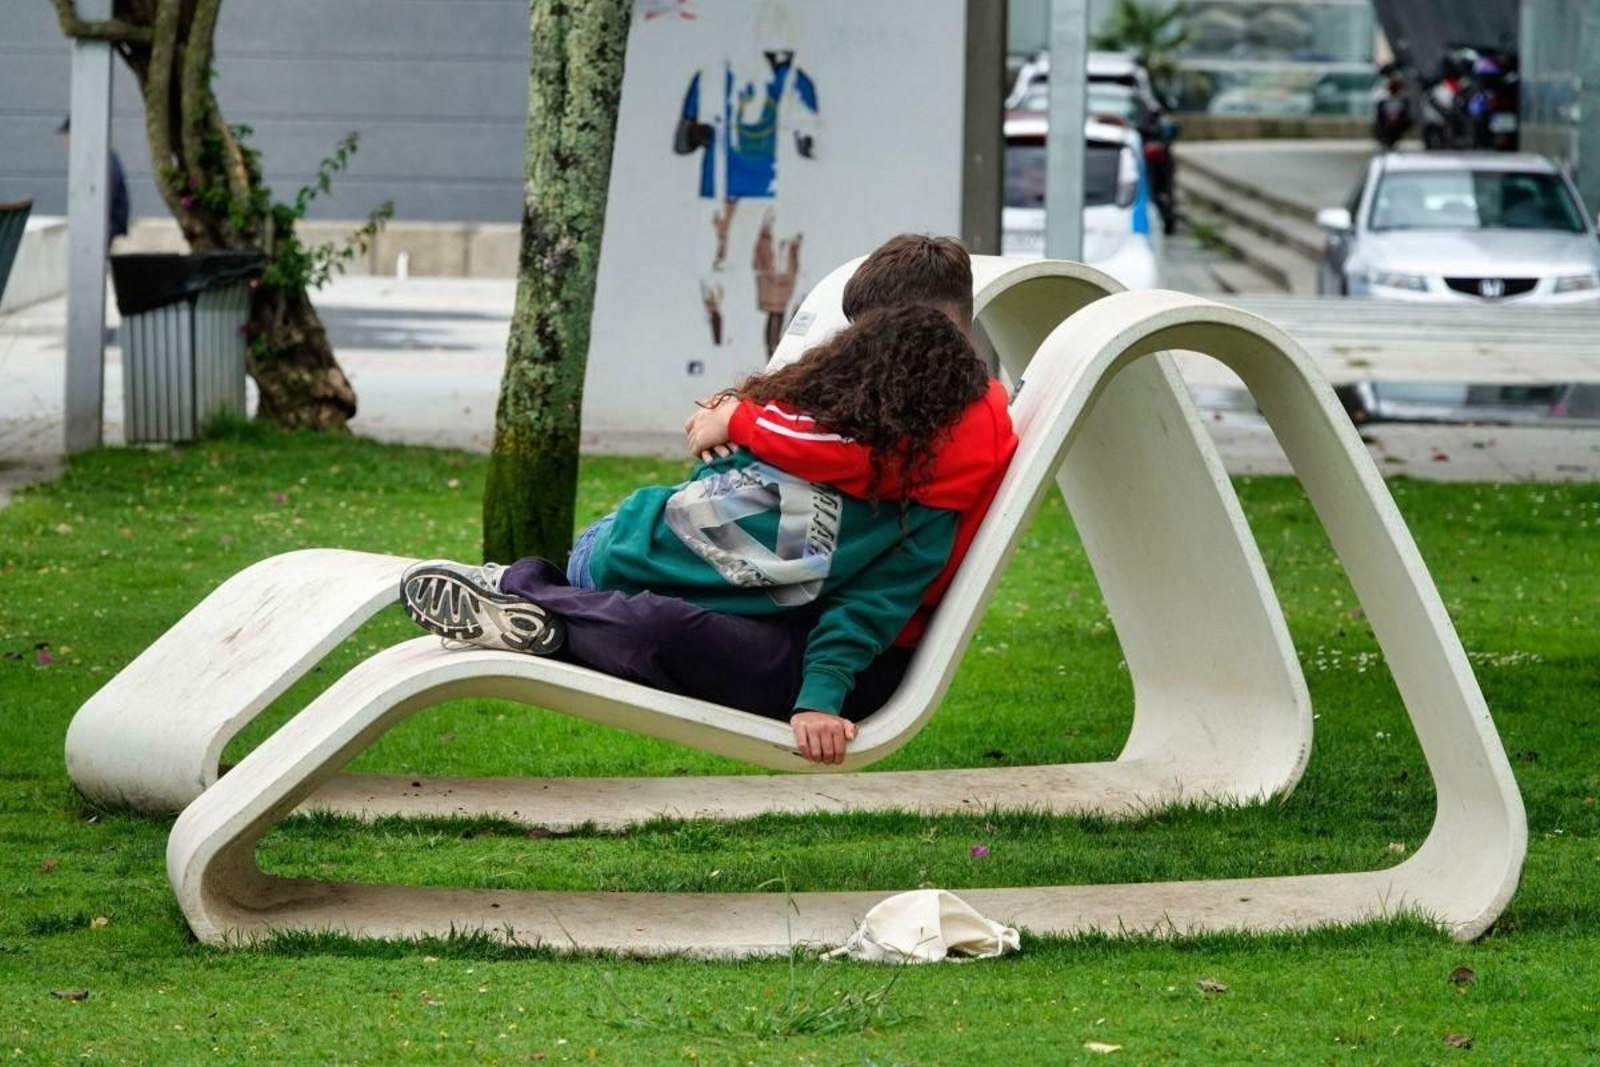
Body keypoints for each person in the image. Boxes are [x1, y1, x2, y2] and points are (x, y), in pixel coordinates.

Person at [403, 235, 1017, 765]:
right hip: (629, 549)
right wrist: (736, 422)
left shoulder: (939, 463)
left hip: (809, 638)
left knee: (662, 631)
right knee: (653, 614)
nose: (865, 355)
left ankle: (523, 600)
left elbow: (874, 598)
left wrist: (820, 698)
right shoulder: (856, 415)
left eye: (872, 340)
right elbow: (799, 450)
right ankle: (530, 601)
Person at [58, 117, 129, 248]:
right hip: (105, 222)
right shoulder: (98, 154)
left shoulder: (98, 157)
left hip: (105, 224)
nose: (65, 141)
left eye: (67, 135)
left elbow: (108, 190)